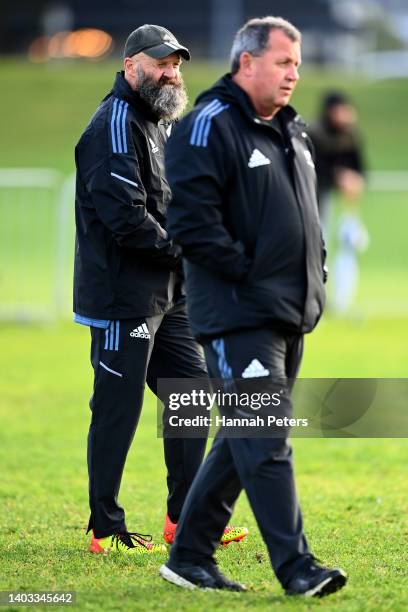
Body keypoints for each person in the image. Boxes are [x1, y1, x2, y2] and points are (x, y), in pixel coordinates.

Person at [160, 16, 347, 596]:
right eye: (283, 62)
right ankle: (297, 569)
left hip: (290, 312)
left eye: (297, 63)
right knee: (266, 435)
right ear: (246, 63)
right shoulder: (207, 126)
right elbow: (190, 224)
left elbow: (306, 220)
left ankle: (188, 555)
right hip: (238, 313)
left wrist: (314, 275)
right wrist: (251, 275)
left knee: (243, 436)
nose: (294, 73)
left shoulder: (293, 130)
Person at [73, 24, 248, 555]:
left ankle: (184, 520)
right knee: (117, 409)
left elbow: (175, 203)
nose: (171, 72)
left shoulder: (159, 122)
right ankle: (105, 528)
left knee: (191, 396)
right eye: (160, 63)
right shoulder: (116, 124)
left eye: (176, 64)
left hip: (168, 292)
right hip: (122, 294)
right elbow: (127, 219)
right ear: (131, 67)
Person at [309, 92, 369, 313]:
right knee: (317, 245)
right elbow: (312, 168)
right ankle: (315, 297)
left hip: (345, 203)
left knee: (348, 245)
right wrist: (338, 176)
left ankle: (342, 300)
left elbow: (360, 168)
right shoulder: (314, 133)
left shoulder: (350, 135)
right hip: (315, 199)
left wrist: (354, 179)